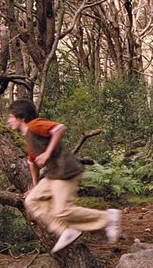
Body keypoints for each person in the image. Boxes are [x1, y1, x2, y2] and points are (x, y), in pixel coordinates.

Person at [7, 99, 121, 252]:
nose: (8, 121)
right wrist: (35, 186)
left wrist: (47, 153)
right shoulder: (28, 136)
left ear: (21, 117)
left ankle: (108, 217)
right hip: (53, 175)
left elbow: (59, 128)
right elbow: (32, 163)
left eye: (11, 117)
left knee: (62, 211)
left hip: (65, 171)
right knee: (32, 200)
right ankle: (65, 230)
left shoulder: (34, 125)